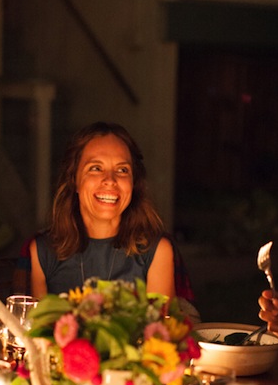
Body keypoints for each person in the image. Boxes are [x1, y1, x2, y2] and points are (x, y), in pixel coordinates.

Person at [24, 121, 176, 299]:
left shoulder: (157, 251)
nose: (110, 180)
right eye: (96, 168)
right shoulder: (42, 252)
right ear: (74, 180)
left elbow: (160, 326)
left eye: (122, 170)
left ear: (134, 183)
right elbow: (36, 326)